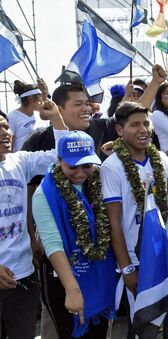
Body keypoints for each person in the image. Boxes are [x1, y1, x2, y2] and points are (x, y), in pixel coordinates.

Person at [100, 102, 168, 338]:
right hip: (138, 256)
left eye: (146, 123)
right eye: (135, 125)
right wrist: (127, 268)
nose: (143, 129)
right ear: (120, 131)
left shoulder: (160, 157)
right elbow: (114, 222)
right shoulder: (112, 166)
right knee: (143, 320)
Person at [33, 131, 117, 338]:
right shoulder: (44, 193)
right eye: (72, 166)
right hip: (62, 277)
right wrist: (73, 290)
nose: (80, 172)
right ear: (59, 160)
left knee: (98, 333)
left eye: (86, 165)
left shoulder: (99, 180)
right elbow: (53, 244)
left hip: (100, 273)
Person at [0, 101, 67, 339]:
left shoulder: (19, 161)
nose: (4, 133)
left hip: (23, 277)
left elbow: (61, 153)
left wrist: (57, 118)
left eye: (6, 127)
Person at [8, 79, 49, 151]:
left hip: (40, 158)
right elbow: (10, 143)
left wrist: (45, 93)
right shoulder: (12, 116)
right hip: (23, 159)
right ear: (31, 99)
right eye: (41, 98)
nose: (42, 101)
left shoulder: (40, 115)